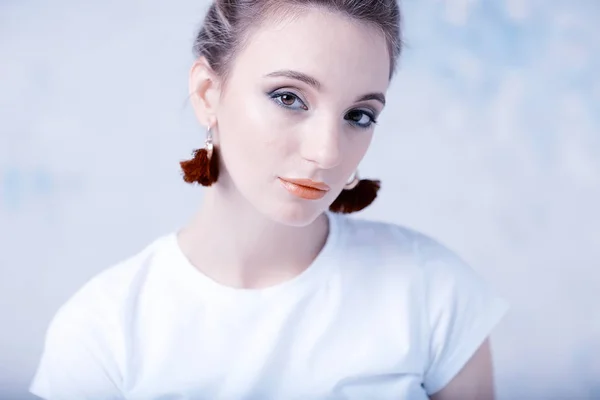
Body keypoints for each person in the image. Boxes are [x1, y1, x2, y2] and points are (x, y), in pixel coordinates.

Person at [30, 0, 508, 399]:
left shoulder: (434, 293)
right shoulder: (103, 330)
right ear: (206, 93)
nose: (326, 152)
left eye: (359, 115)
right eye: (288, 97)